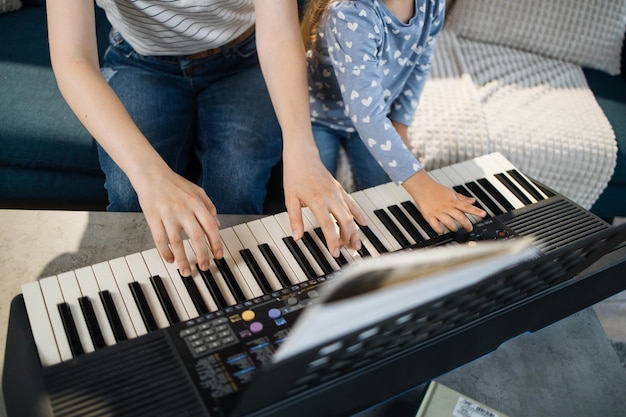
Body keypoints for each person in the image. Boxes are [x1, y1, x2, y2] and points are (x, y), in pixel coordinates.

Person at [46, 0, 367, 277]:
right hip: (139, 59)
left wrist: (302, 149)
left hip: (245, 57)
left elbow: (280, 32)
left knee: (236, 194)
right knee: (130, 200)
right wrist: (151, 176)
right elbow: (72, 58)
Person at [301, 0, 486, 234]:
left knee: (388, 204)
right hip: (319, 118)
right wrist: (422, 185)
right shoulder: (351, 13)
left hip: (377, 117)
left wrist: (400, 124)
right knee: (316, 213)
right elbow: (367, 115)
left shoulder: (431, 4)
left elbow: (419, 61)